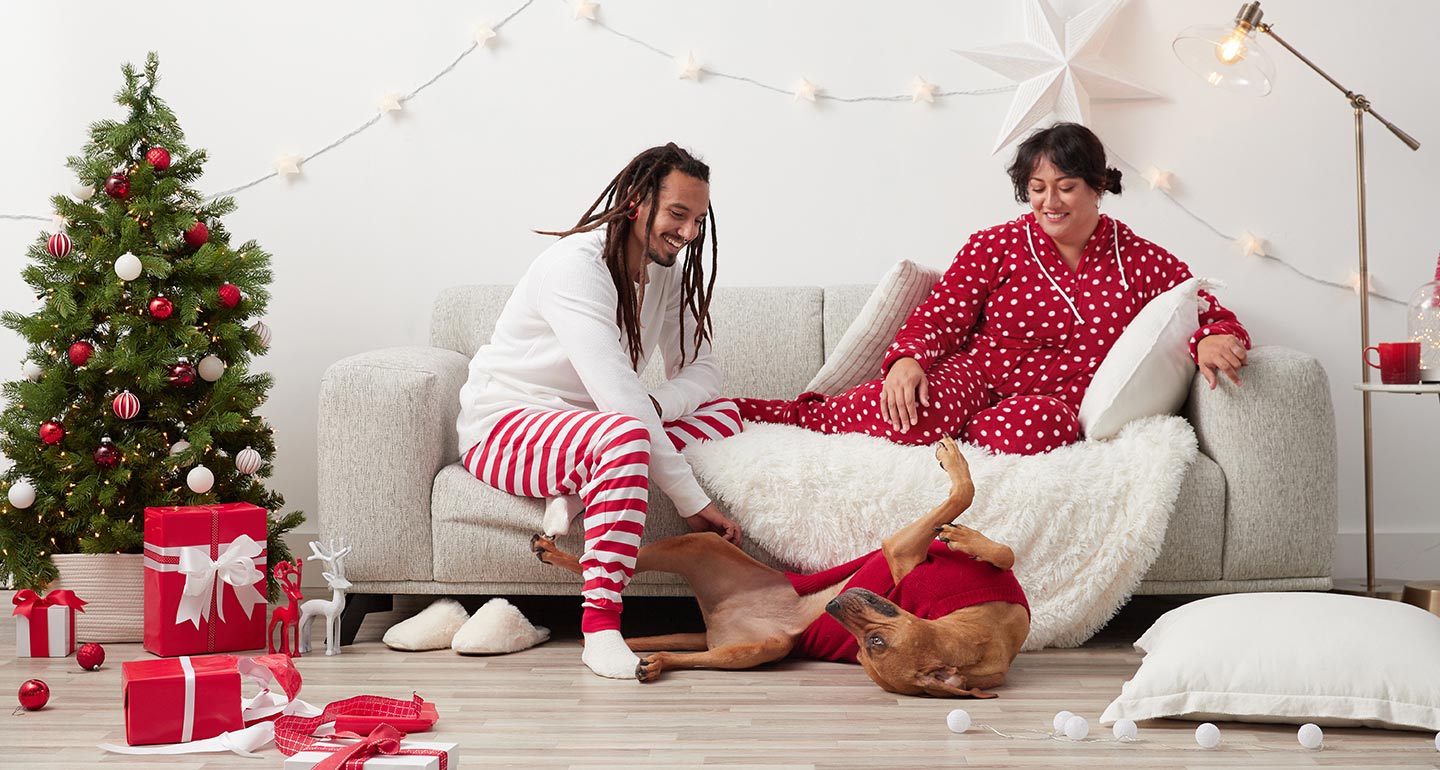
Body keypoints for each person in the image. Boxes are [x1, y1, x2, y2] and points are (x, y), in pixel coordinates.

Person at [738, 122, 1250, 455]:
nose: (1050, 202)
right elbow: (940, 316)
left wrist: (1210, 337)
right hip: (975, 378)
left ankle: (959, 443)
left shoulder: (1139, 260)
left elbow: (1203, 310)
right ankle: (777, 418)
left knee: (1042, 427)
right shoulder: (995, 245)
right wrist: (908, 359)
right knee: (914, 406)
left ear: (1098, 187)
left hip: (1053, 402)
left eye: (1066, 187)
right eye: (1037, 189)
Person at [456, 143, 743, 679]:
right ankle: (601, 630)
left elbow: (704, 373)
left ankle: (580, 484)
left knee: (727, 413)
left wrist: (656, 402)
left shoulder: (668, 274)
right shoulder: (575, 267)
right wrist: (691, 498)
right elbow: (619, 399)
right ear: (636, 202)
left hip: (597, 427)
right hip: (505, 427)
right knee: (628, 435)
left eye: (697, 220)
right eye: (677, 214)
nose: (687, 233)